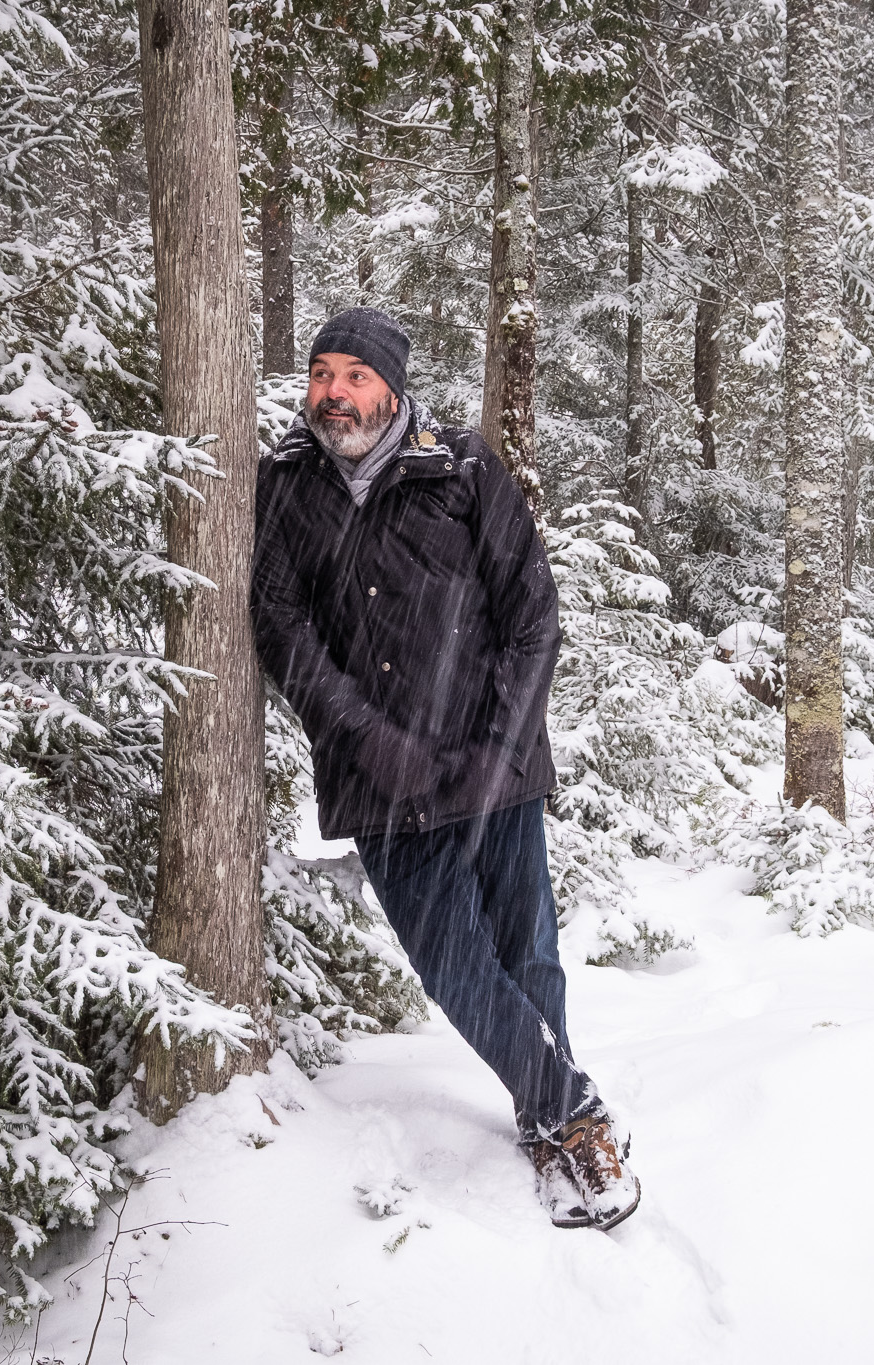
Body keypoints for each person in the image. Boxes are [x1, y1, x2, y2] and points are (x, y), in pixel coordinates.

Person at [249, 307, 640, 1231]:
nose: (332, 393)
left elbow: (533, 618)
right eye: (320, 374)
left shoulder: (462, 468)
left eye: (352, 375)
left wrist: (490, 753)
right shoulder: (286, 485)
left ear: (391, 387)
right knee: (457, 971)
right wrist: (370, 737)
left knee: (527, 953)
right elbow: (281, 627)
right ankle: (574, 1108)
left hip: (493, 768)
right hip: (380, 783)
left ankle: (551, 1132)